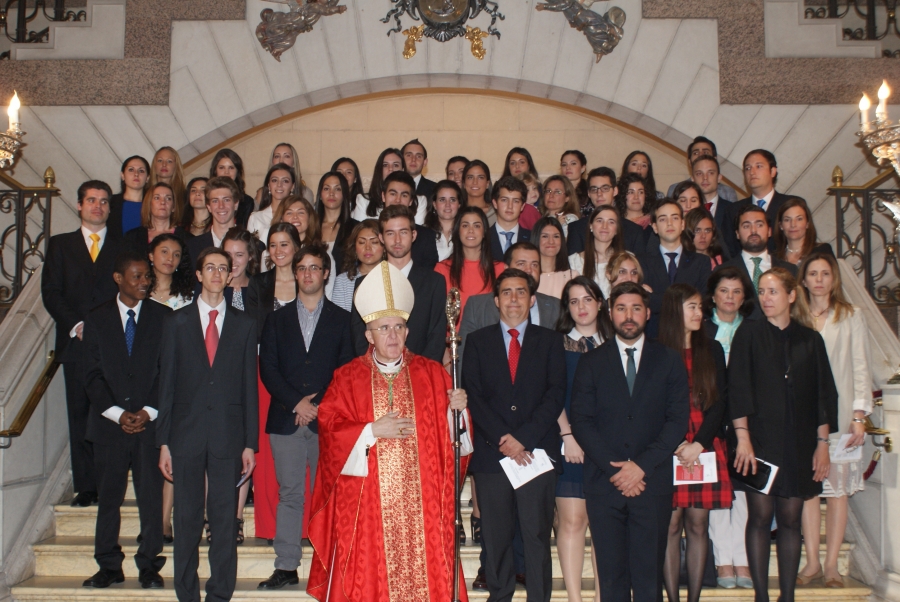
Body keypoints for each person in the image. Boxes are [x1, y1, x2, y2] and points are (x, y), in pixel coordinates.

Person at [306, 260, 471, 601]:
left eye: (398, 327)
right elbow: (330, 428)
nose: (392, 335)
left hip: (423, 506)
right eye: (383, 328)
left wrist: (460, 412)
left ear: (408, 331)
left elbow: (455, 446)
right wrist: (369, 430)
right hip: (368, 505)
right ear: (369, 335)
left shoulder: (433, 374)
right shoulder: (347, 377)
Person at [570, 281, 690, 602]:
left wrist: (640, 467)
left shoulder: (669, 360)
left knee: (649, 578)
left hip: (651, 484)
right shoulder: (591, 362)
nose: (629, 315)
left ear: (648, 313)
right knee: (611, 580)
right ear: (611, 313)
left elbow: (677, 421)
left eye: (636, 308)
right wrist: (618, 471)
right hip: (604, 485)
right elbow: (581, 421)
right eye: (621, 308)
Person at [729, 268, 838, 602]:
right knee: (760, 517)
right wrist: (743, 437)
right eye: (761, 291)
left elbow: (824, 396)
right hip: (759, 441)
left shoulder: (810, 339)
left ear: (792, 295)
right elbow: (737, 388)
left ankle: (786, 596)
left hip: (800, 442)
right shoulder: (748, 333)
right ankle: (762, 596)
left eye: (773, 292)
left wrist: (823, 445)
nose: (766, 298)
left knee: (791, 519)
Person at [156, 246, 258, 602]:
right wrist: (164, 442)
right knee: (185, 521)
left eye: (223, 268)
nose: (216, 273)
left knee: (224, 521)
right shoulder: (176, 321)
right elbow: (165, 385)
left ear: (230, 276)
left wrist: (250, 443)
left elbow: (249, 387)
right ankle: (186, 593)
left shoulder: (245, 325)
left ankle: (219, 593)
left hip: (228, 437)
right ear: (198, 275)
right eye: (209, 267)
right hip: (184, 436)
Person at [464, 268, 567, 602]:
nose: (513, 299)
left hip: (535, 454)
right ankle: (500, 597)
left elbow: (555, 394)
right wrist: (504, 439)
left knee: (536, 535)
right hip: (493, 457)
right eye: (506, 292)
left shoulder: (550, 341)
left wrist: (523, 438)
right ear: (496, 300)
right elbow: (474, 396)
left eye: (521, 292)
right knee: (495, 538)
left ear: (532, 298)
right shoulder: (478, 342)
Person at [257, 245, 354, 590]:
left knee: (331, 495)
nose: (308, 274)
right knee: (290, 493)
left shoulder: (343, 318)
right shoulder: (277, 319)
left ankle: (331, 564)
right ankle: (286, 566)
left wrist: (318, 406)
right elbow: (267, 367)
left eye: (315, 268)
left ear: (326, 274)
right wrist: (296, 403)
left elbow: (347, 370)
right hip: (286, 418)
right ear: (295, 273)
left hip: (329, 422)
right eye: (302, 268)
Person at [81, 251, 169, 590]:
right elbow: (91, 375)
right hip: (108, 427)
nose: (145, 281)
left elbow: (169, 372)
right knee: (109, 499)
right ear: (119, 279)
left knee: (150, 499)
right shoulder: (97, 318)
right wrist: (119, 415)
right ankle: (108, 565)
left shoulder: (164, 317)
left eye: (147, 276)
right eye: (137, 276)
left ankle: (149, 565)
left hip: (150, 425)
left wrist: (148, 410)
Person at [42, 180, 122, 507]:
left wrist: (105, 329)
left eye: (103, 201)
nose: (97, 206)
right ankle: (86, 487)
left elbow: (128, 293)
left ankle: (110, 483)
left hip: (113, 348)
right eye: (91, 200)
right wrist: (77, 324)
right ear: (79, 205)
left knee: (109, 415)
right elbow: (51, 293)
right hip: (75, 346)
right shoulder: (60, 245)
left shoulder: (121, 246)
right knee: (78, 416)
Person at [797, 253, 873, 588]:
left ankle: (831, 566)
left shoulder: (851, 315)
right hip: (803, 417)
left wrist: (860, 416)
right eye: (812, 273)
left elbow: (860, 366)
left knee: (838, 492)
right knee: (808, 491)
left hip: (841, 417)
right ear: (803, 280)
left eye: (824, 273)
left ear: (834, 279)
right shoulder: (796, 317)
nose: (818, 279)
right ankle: (811, 561)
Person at [659, 284, 731, 602]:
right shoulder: (656, 350)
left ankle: (694, 598)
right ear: (676, 310)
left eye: (701, 307)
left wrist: (698, 444)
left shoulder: (712, 349)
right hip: (669, 445)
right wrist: (676, 443)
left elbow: (721, 402)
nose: (699, 313)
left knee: (698, 523)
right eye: (692, 307)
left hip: (704, 443)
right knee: (671, 523)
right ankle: (673, 598)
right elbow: (650, 404)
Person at [555, 276, 612, 602]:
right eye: (574, 301)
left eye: (587, 299)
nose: (581, 307)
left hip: (610, 449)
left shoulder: (617, 343)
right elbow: (552, 396)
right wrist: (568, 436)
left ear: (600, 303)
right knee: (574, 521)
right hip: (571, 445)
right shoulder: (557, 345)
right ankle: (575, 598)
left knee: (605, 526)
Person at [245, 224, 303, 543]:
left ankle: (304, 526)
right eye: (273, 245)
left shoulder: (308, 278)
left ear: (297, 246)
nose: (279, 250)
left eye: (285, 244)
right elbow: (256, 332)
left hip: (301, 374)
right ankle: (269, 526)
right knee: (267, 454)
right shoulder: (258, 284)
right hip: (265, 371)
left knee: (302, 448)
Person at [703, 266, 754, 589]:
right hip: (711, 419)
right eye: (724, 291)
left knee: (743, 493)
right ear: (713, 295)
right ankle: (723, 560)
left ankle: (743, 558)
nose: (730, 298)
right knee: (718, 495)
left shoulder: (752, 330)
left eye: (737, 291)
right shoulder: (702, 330)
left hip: (747, 420)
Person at [350, 205, 447, 362]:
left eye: (403, 232)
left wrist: (419, 373)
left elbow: (436, 338)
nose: (397, 240)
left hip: (421, 375)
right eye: (390, 233)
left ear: (414, 235)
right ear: (381, 238)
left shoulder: (434, 282)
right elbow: (359, 337)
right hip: (376, 376)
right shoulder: (365, 284)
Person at [639, 200, 711, 338]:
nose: (669, 223)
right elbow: (644, 302)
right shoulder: (642, 262)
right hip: (655, 338)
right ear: (654, 227)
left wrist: (657, 299)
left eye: (675, 218)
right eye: (663, 219)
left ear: (683, 224)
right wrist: (685, 303)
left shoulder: (701, 262)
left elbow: (704, 303)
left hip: (691, 338)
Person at [716, 204, 797, 320]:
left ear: (769, 231)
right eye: (746, 226)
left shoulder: (790, 270)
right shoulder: (722, 271)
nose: (753, 231)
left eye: (759, 225)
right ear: (737, 234)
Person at [435, 207, 505, 323]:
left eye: (477, 226)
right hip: (453, 338)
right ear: (458, 231)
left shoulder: (500, 269)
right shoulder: (442, 269)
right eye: (465, 225)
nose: (471, 230)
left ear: (484, 232)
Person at [721, 149, 793, 257]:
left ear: (773, 171)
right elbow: (729, 251)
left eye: (758, 166)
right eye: (748, 168)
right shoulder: (733, 210)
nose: (752, 172)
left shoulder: (791, 205)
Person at [568, 167, 647, 256]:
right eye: (594, 189)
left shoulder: (634, 231)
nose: (599, 194)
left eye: (605, 188)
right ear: (589, 193)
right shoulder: (576, 228)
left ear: (615, 191)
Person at [352, 148, 427, 225]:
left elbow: (417, 231)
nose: (390, 169)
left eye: (395, 165)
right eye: (385, 165)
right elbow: (359, 232)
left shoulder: (419, 201)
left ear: (403, 169)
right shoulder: (363, 200)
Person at [568, 205, 623, 297]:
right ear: (591, 226)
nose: (604, 226)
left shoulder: (627, 260)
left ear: (617, 229)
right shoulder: (573, 261)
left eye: (611, 222)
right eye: (599, 221)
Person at [123, 182, 188, 259]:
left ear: (173, 207)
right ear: (149, 204)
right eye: (157, 198)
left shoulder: (186, 238)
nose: (163, 202)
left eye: (168, 198)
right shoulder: (132, 237)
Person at [666, 136, 739, 204]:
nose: (700, 155)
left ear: (715, 159)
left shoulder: (727, 192)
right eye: (696, 153)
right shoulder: (674, 189)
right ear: (689, 162)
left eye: (706, 152)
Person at [331, 219, 383, 312]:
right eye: (362, 242)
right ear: (354, 247)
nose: (367, 248)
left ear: (384, 246)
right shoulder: (343, 281)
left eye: (374, 242)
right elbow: (340, 320)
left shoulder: (395, 277)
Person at [185, 177, 240, 264]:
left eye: (226, 200)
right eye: (215, 201)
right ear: (209, 207)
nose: (221, 206)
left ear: (236, 204)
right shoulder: (192, 246)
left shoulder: (252, 244)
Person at [315, 171, 358, 274]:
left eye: (337, 189)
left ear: (344, 195)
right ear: (320, 195)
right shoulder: (311, 227)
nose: (331, 193)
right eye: (326, 188)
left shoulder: (355, 228)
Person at [247, 163, 298, 250]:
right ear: (269, 186)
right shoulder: (256, 218)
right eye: (274, 180)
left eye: (285, 181)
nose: (279, 185)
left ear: (292, 186)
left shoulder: (298, 217)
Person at [774, 197, 835, 265]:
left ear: (807, 223)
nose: (793, 225)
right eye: (787, 220)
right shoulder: (774, 258)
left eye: (799, 219)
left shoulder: (822, 251)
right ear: (781, 225)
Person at [532, 217, 579, 298]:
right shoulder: (528, 275)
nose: (551, 241)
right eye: (545, 236)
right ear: (536, 238)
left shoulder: (572, 276)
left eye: (556, 236)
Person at [689, 154, 734, 235]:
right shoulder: (687, 211)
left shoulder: (732, 210)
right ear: (692, 179)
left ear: (719, 178)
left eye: (710, 173)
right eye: (699, 173)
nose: (705, 177)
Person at [209, 148, 255, 227]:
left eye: (231, 168)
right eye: (221, 168)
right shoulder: (207, 196)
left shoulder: (246, 202)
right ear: (215, 170)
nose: (226, 172)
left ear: (237, 171)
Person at [148, 234, 194, 310]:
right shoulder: (139, 290)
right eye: (165, 252)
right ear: (151, 255)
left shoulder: (187, 297)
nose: (170, 258)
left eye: (176, 255)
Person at [108, 155, 150, 239]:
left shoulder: (154, 205)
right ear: (122, 175)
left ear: (147, 178)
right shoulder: (110, 202)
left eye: (141, 171)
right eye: (131, 170)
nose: (136, 174)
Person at [490, 175, 531, 260]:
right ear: (495, 203)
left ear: (522, 206)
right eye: (504, 200)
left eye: (516, 201)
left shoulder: (532, 238)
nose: (510, 206)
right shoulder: (483, 238)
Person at [222, 226, 261, 311]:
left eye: (239, 255)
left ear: (250, 255)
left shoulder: (259, 289)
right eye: (228, 254)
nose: (232, 261)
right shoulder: (214, 286)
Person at [423, 180, 461, 261]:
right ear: (434, 205)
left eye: (452, 200)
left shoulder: (466, 231)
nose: (448, 205)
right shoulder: (423, 233)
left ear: (459, 204)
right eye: (442, 200)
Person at [148, 147, 186, 218]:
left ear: (176, 165)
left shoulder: (185, 197)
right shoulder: (145, 193)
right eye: (160, 160)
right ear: (154, 165)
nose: (164, 164)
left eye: (169, 161)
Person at [462, 160, 496, 225]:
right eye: (470, 177)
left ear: (487, 184)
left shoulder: (496, 213)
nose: (475, 182)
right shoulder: (456, 212)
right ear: (464, 183)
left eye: (480, 178)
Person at [560, 150, 590, 215]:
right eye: (564, 165)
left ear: (583, 168)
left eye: (573, 164)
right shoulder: (556, 189)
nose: (568, 168)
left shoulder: (589, 191)